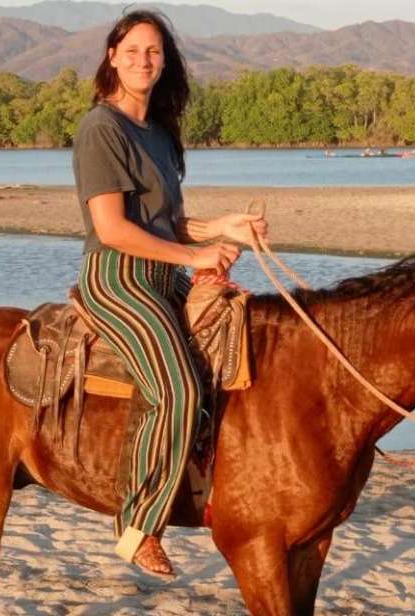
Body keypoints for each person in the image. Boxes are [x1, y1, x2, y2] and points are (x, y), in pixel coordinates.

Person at [71, 10, 267, 578]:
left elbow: (167, 224)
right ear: (112, 55)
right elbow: (113, 229)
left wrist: (224, 228)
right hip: (119, 278)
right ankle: (138, 525)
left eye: (153, 51)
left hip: (163, 275)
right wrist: (195, 258)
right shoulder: (100, 129)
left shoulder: (159, 132)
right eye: (132, 50)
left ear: (165, 62)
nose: (143, 60)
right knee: (177, 387)